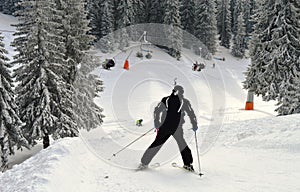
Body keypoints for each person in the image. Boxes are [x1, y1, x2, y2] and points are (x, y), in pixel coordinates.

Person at [139, 85, 198, 171]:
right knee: (182, 145)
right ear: (181, 93)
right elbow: (191, 114)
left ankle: (144, 163)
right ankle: (188, 164)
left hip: (165, 127)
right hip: (177, 128)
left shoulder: (165, 99)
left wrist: (157, 123)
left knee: (157, 144)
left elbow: (157, 111)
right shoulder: (184, 102)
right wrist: (194, 125)